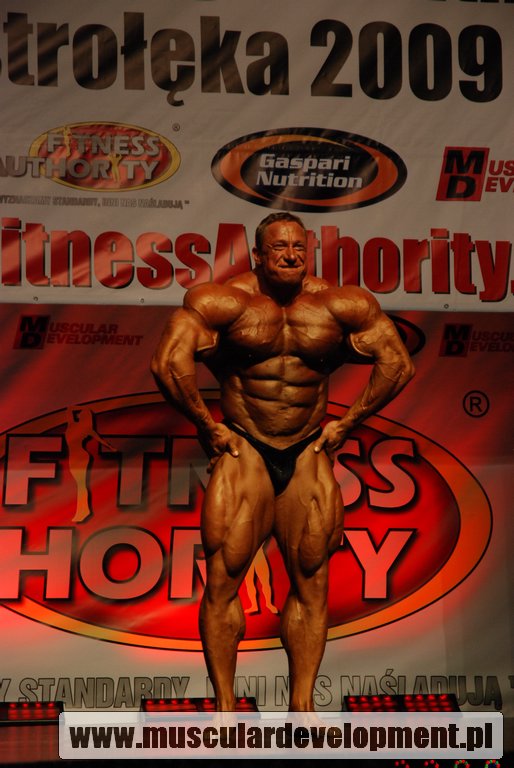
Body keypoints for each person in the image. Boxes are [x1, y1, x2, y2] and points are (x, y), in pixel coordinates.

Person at [151, 212, 414, 711]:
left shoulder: (340, 304)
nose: (291, 255)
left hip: (307, 448)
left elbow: (398, 363)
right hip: (246, 447)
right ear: (258, 254)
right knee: (224, 578)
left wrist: (348, 422)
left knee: (313, 580)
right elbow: (167, 362)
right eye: (279, 247)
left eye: (299, 246)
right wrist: (207, 425)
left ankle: (303, 709)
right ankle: (225, 711)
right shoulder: (224, 301)